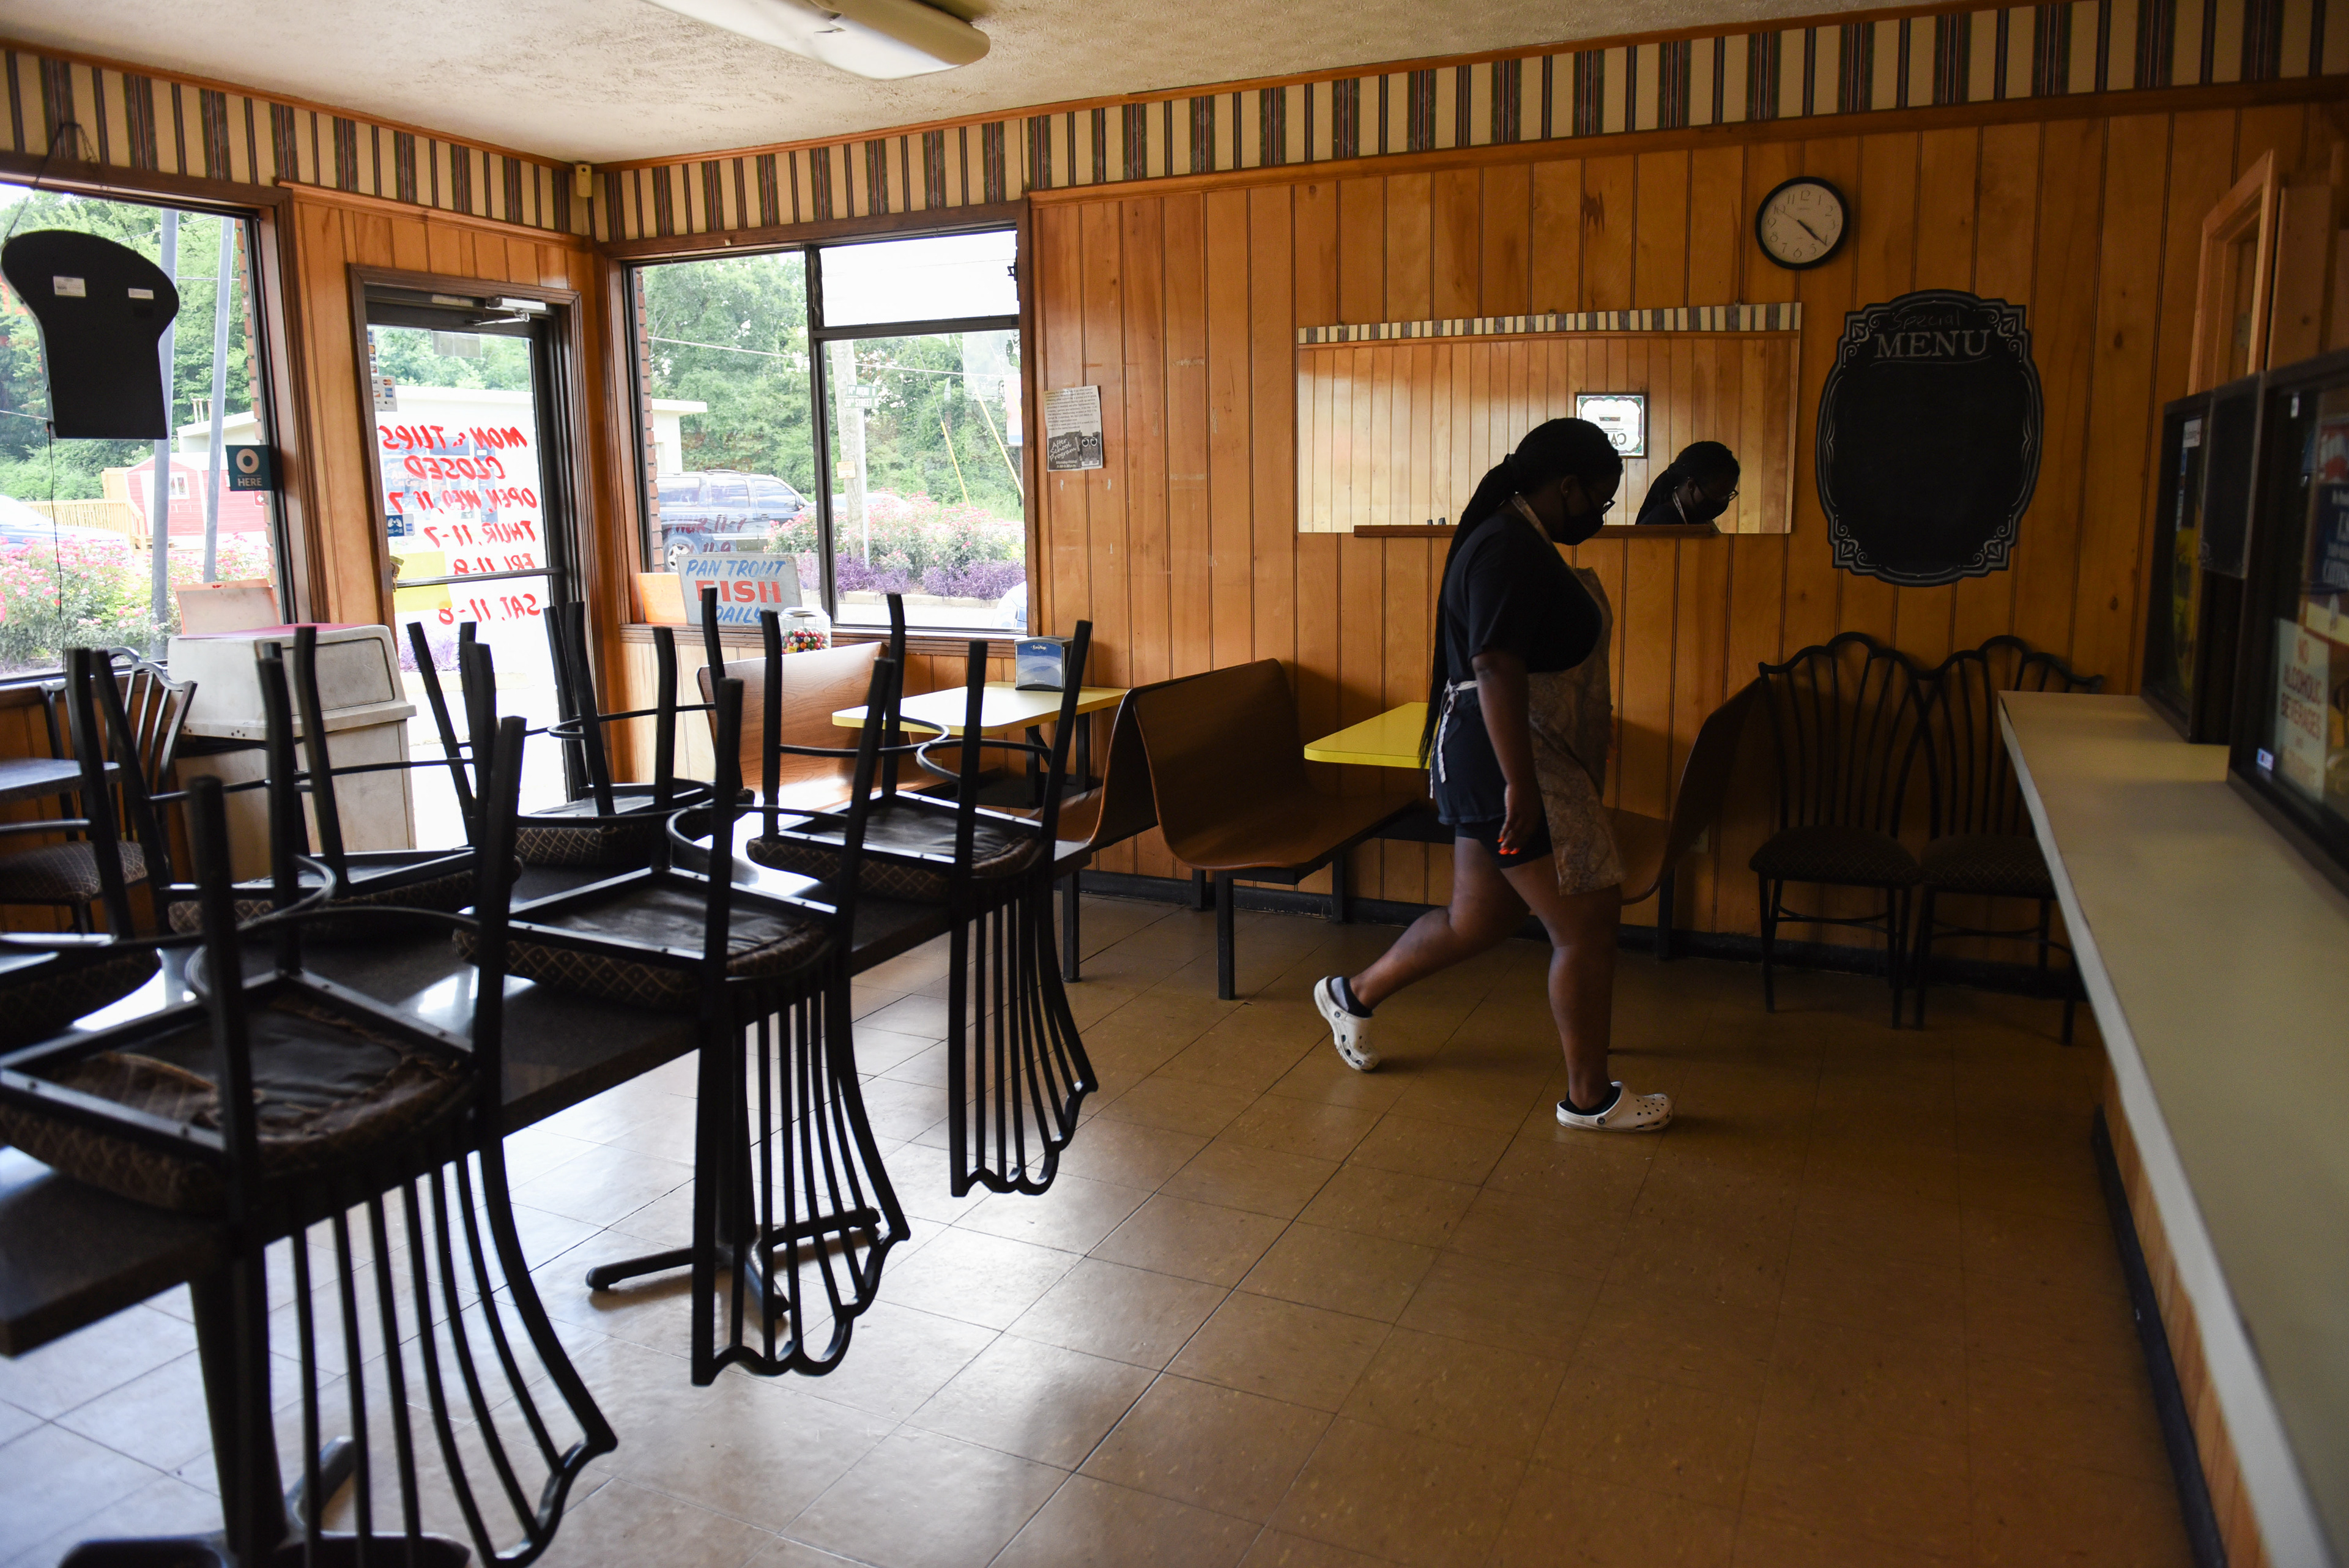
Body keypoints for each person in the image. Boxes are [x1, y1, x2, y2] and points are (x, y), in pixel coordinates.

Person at [1311, 418, 1671, 1133]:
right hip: (1506, 758)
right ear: (1564, 486)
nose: (1599, 518)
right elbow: (1494, 666)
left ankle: (1352, 995)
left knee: (1481, 917)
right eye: (1598, 501)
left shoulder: (1518, 537)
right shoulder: (1508, 546)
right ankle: (1590, 1099)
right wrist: (1522, 786)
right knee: (1588, 920)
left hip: (1500, 754)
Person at [1632, 440, 1740, 528]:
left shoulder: (1696, 517)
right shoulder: (1660, 524)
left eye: (1728, 495)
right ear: (1691, 486)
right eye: (1718, 495)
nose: (1723, 501)